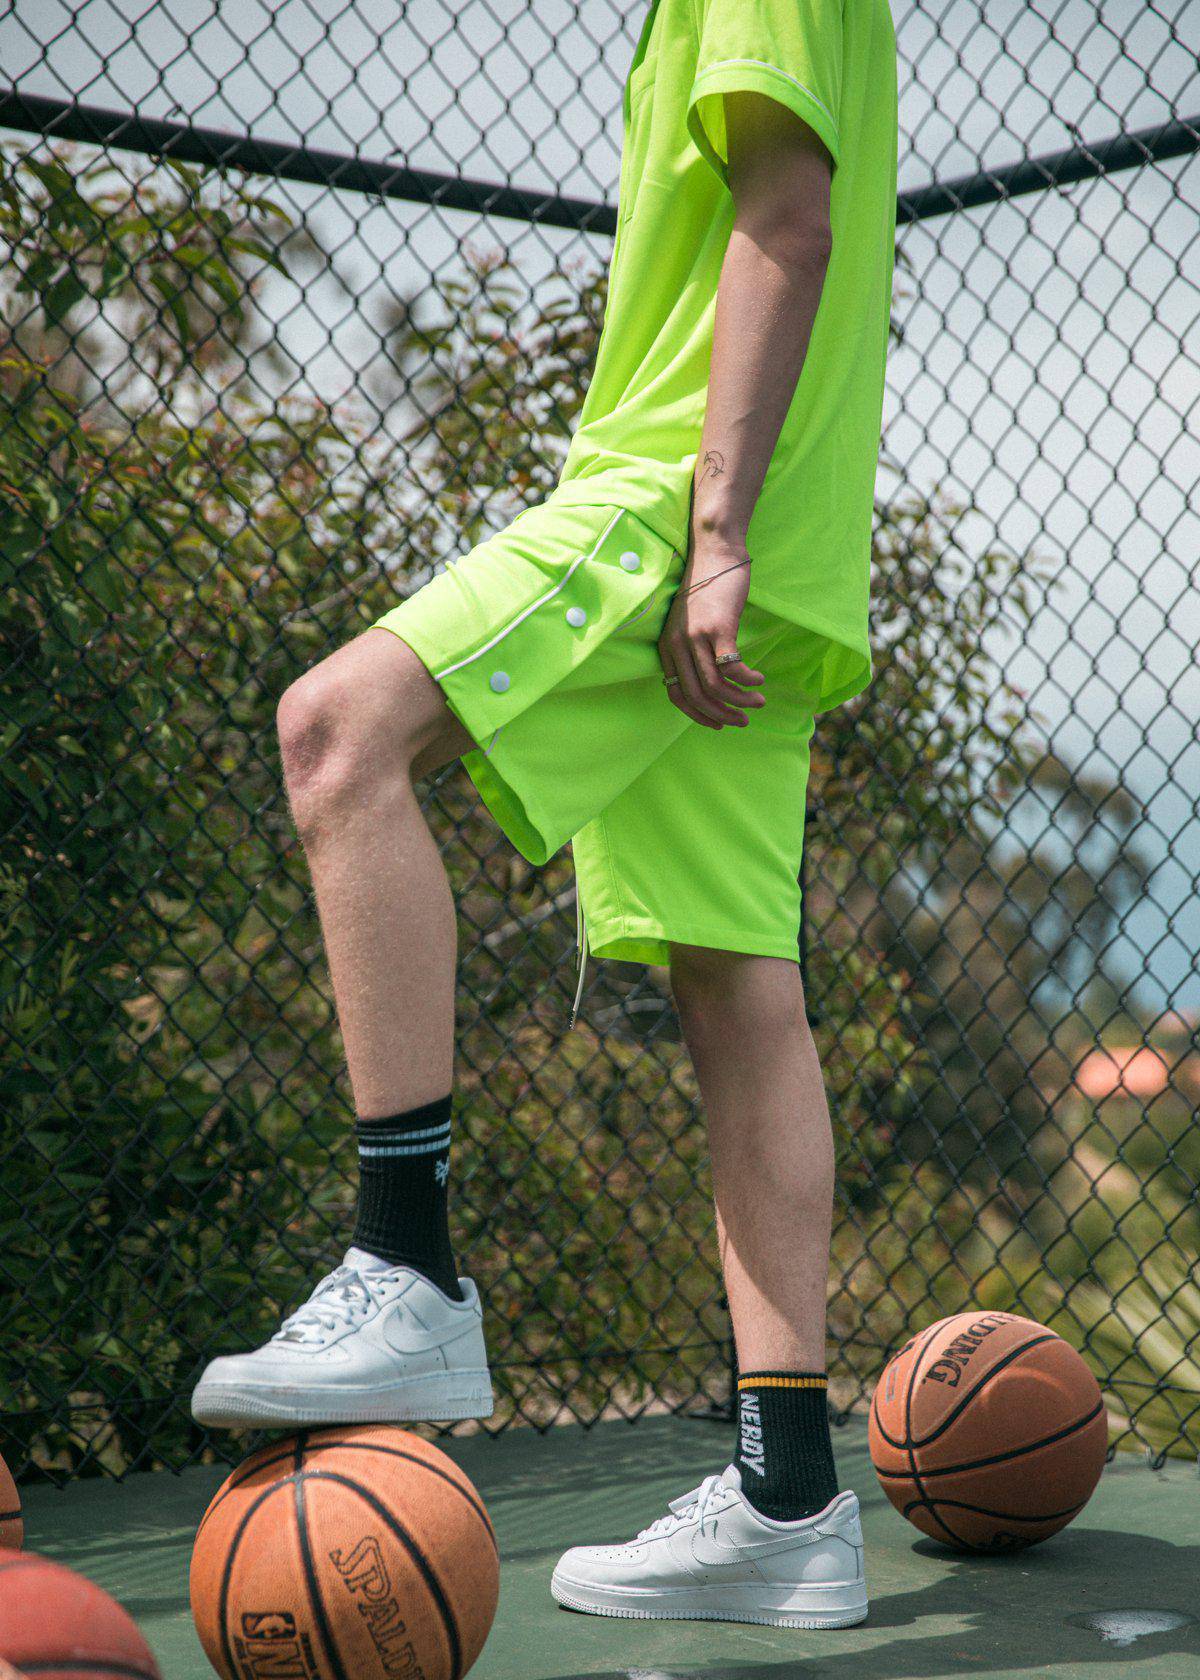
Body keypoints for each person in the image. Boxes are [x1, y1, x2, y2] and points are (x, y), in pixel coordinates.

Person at [192, 0, 897, 1632]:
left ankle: (407, 1264)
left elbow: (789, 219)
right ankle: (791, 1500)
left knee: (336, 735)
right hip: (772, 528)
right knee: (735, 976)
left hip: (681, 505)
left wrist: (711, 531)